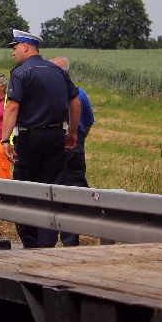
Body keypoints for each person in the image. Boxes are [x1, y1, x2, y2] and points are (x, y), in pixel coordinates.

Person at [0, 30, 80, 249]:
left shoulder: (20, 73)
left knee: (25, 191)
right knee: (52, 190)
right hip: (56, 136)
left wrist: (5, 140)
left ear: (25, 47)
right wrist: (72, 133)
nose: (13, 54)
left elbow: (12, 106)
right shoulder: (58, 71)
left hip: (30, 137)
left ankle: (31, 243)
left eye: (14, 48)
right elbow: (76, 103)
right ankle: (47, 242)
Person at [51, 57, 95, 247]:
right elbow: (88, 123)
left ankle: (59, 238)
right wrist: (78, 138)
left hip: (64, 143)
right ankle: (70, 239)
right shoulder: (81, 93)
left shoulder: (65, 94)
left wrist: (71, 136)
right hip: (76, 143)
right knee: (73, 189)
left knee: (58, 189)